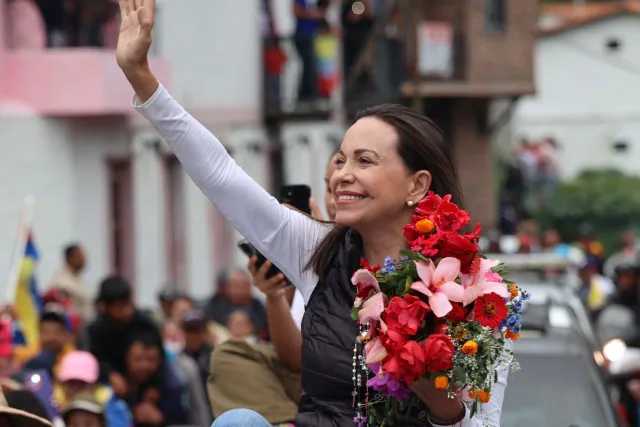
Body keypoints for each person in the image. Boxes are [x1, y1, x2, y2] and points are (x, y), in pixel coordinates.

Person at [114, 1, 509, 424]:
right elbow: (221, 175)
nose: (343, 176)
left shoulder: (474, 290)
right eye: (340, 160)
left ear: (418, 185)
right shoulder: (316, 250)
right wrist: (141, 76)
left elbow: (482, 421)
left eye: (365, 161)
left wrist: (438, 399)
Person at [85, 276, 163, 398]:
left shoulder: (146, 324)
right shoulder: (96, 330)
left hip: (147, 379)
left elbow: (160, 357)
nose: (127, 310)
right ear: (106, 307)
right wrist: (111, 375)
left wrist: (154, 386)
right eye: (121, 306)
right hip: (110, 383)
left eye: (128, 303)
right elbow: (95, 358)